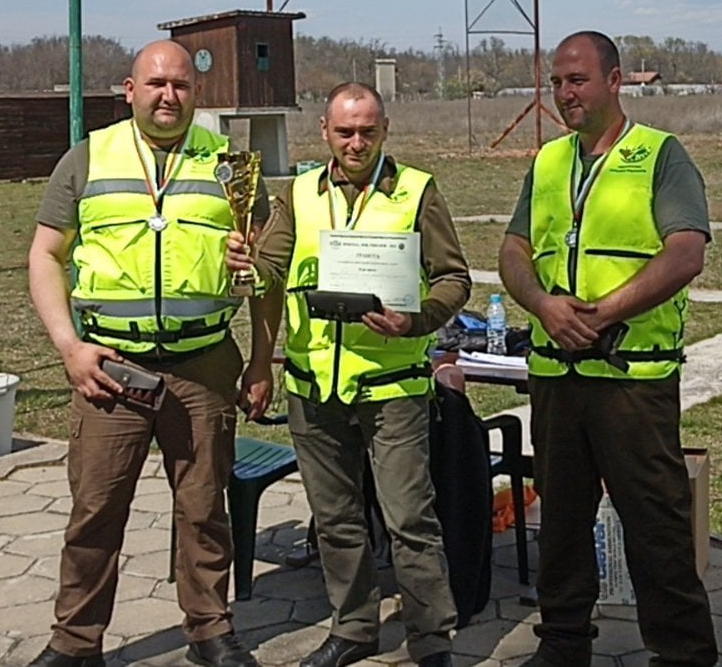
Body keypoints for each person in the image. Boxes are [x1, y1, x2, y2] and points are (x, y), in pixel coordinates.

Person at [26, 40, 271, 667]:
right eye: (156, 84)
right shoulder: (87, 159)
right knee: (95, 511)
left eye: (182, 85)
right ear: (130, 91)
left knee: (203, 508)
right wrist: (68, 347)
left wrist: (262, 356)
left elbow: (269, 271)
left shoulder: (232, 166)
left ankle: (209, 631)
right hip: (111, 369)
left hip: (205, 363)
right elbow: (45, 256)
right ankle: (76, 644)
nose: (169, 96)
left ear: (199, 93)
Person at [228, 81, 471, 667]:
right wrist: (245, 260)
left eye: (367, 131)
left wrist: (417, 321)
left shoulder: (416, 191)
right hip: (315, 388)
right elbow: (271, 269)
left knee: (409, 518)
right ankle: (353, 628)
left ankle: (431, 638)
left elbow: (454, 278)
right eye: (345, 132)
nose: (356, 142)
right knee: (336, 521)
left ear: (385, 129)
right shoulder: (300, 193)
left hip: (393, 389)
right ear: (325, 133)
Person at [498, 31, 716, 667]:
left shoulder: (659, 156)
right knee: (561, 524)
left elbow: (686, 252)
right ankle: (563, 645)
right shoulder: (546, 162)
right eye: (558, 82)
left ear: (615, 81)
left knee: (656, 529)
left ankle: (682, 654)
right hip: (557, 375)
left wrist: (600, 314)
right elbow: (513, 249)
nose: (566, 93)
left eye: (578, 80)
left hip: (632, 381)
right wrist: (542, 305)